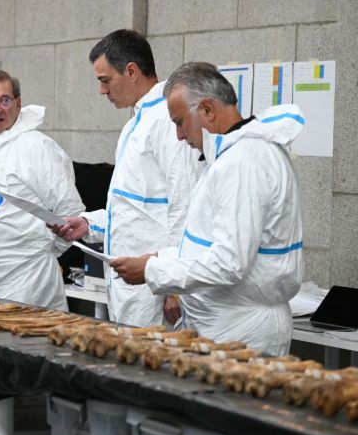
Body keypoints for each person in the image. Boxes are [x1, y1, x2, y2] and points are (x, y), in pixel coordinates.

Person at [110, 62, 304, 356]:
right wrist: (159, 257)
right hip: (224, 324)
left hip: (241, 330)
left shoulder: (244, 163)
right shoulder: (231, 158)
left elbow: (229, 263)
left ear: (208, 111)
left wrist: (154, 270)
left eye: (179, 122)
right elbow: (209, 245)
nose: (178, 135)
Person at [53, 30, 200, 326]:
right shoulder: (134, 125)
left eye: (105, 80)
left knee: (154, 369)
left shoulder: (166, 122)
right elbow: (133, 211)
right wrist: (88, 224)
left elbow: (186, 206)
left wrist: (175, 286)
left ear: (131, 71)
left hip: (157, 289)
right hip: (130, 287)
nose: (102, 91)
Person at [0, 70, 84, 310]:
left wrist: (39, 254)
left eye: (5, 100)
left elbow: (70, 212)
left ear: (19, 104)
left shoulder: (38, 148)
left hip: (26, 286)